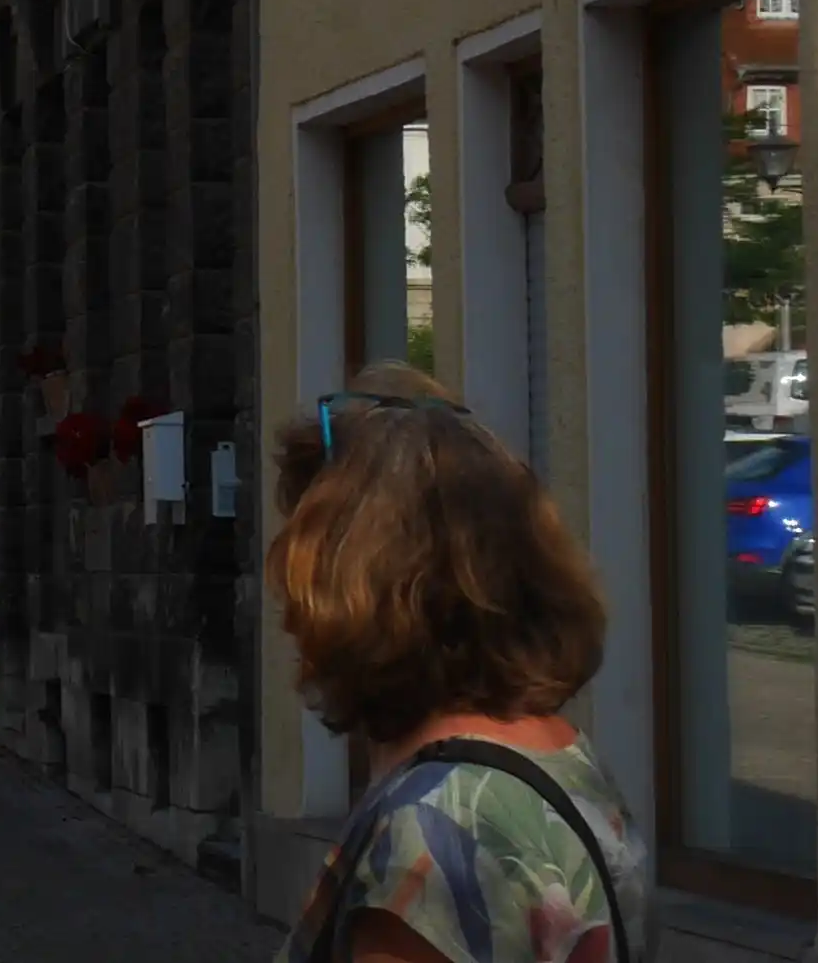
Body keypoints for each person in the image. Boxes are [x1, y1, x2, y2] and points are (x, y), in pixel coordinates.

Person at [274, 365, 651, 963]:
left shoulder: (434, 833)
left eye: (301, 563)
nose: (290, 607)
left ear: (350, 585)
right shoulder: (561, 759)